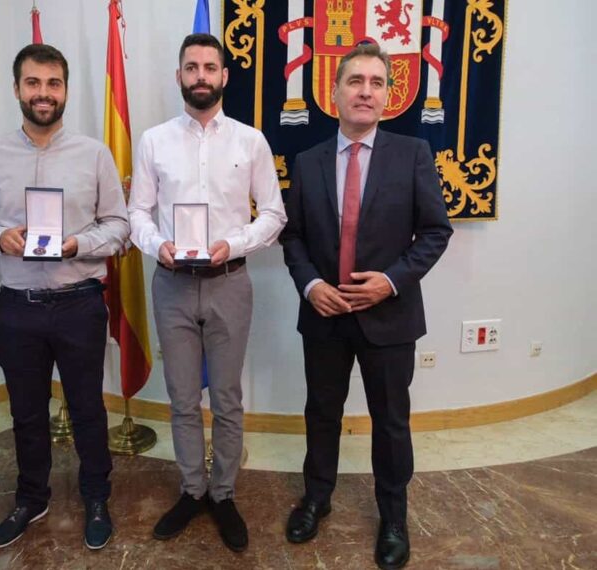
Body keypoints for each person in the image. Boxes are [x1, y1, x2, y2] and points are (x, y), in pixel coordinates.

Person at [279, 42, 453, 569]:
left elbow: (435, 231)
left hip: (390, 317)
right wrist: (311, 286)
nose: (366, 91)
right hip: (325, 315)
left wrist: (391, 282)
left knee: (392, 421)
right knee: (321, 413)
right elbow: (293, 239)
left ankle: (394, 518)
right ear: (335, 92)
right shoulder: (307, 162)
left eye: (377, 83)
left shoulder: (413, 153)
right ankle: (316, 499)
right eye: (356, 81)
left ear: (388, 97)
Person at [128, 33, 287, 552]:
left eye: (210, 67)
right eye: (191, 67)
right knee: (179, 398)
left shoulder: (251, 140)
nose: (201, 76)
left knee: (226, 398)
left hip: (228, 283)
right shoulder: (154, 140)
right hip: (172, 283)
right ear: (179, 77)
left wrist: (232, 243)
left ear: (224, 76)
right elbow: (137, 214)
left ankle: (222, 494)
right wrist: (158, 246)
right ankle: (191, 489)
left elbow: (274, 214)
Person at [0, 43, 129, 551]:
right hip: (18, 306)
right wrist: (0, 237)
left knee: (87, 409)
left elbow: (120, 226)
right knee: (27, 412)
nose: (44, 93)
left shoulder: (94, 154)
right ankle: (30, 497)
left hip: (79, 300)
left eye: (53, 84)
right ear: (16, 88)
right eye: (33, 83)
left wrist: (80, 242)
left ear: (65, 91)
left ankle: (96, 496)